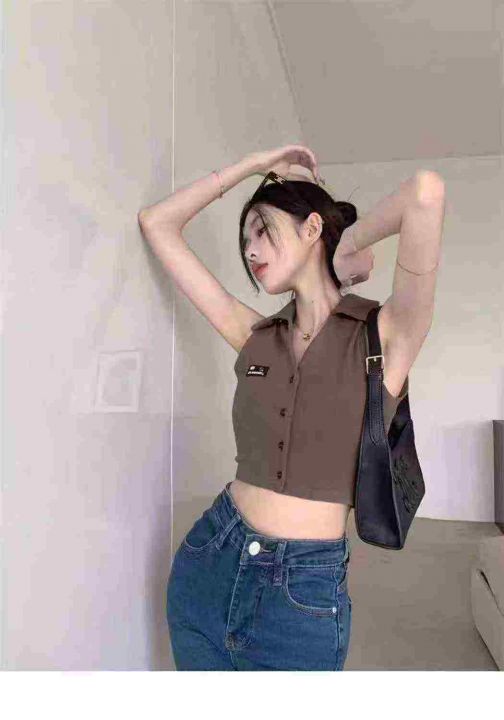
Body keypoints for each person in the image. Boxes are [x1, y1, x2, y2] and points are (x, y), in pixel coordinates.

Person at [138, 145, 444, 670]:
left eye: (262, 230)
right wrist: (252, 165)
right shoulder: (255, 334)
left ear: (312, 228)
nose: (250, 250)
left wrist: (348, 246)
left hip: (303, 594)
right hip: (210, 562)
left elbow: (426, 193)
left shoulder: (386, 336)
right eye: (244, 242)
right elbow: (156, 224)